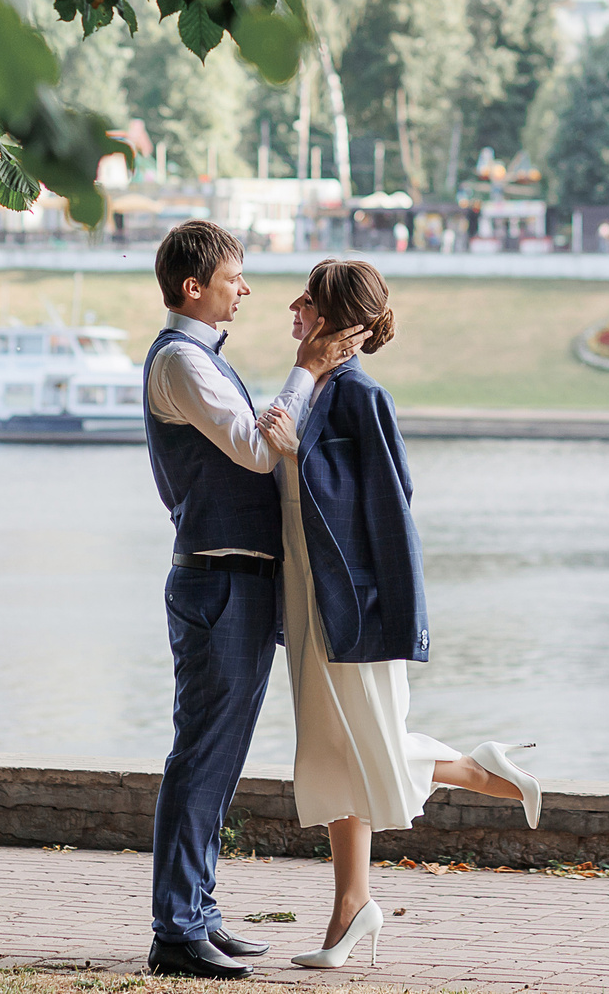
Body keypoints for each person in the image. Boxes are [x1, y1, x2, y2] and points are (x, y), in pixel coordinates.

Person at [257, 257, 542, 972]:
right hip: (311, 600)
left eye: (309, 299)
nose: (294, 306)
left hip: (353, 607)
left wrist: (395, 616)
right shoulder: (315, 388)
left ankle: (480, 772)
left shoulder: (358, 394)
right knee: (331, 751)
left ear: (339, 319)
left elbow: (391, 504)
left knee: (362, 748)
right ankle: (352, 906)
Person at [142, 221, 366, 981]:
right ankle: (176, 927)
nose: (247, 289)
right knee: (201, 755)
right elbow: (254, 445)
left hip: (238, 580)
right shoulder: (180, 363)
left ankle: (196, 913)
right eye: (236, 277)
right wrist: (306, 368)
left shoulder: (202, 360)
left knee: (219, 758)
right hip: (218, 580)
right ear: (193, 287)